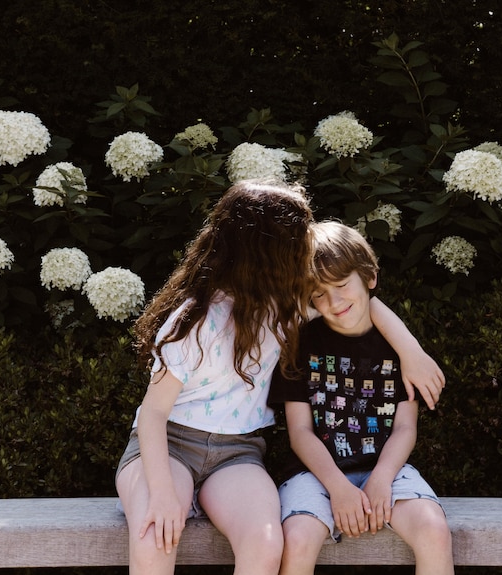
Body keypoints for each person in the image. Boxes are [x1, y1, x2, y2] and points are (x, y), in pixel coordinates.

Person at [115, 181, 445, 575]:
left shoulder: (284, 309)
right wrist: (165, 495)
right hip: (169, 445)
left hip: (237, 455)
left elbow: (360, 302)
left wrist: (409, 351)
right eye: (298, 241)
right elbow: (152, 416)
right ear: (267, 254)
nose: (307, 248)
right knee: (156, 536)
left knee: (267, 542)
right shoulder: (196, 319)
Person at [270, 221, 454, 575]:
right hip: (314, 474)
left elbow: (404, 428)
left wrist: (383, 478)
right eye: (318, 294)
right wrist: (338, 488)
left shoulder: (399, 348)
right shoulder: (301, 344)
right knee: (297, 538)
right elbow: (300, 433)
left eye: (341, 285)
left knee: (432, 528)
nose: (333, 301)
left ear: (369, 277)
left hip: (386, 467)